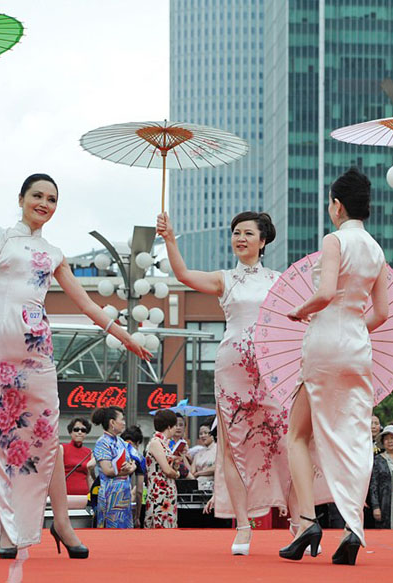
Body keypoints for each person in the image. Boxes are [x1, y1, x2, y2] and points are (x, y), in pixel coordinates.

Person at [0, 124, 151, 558]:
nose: (44, 204)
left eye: (52, 199)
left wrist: (123, 335)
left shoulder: (54, 254)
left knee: (44, 435)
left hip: (37, 349)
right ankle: (5, 533)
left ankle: (61, 524)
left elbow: (89, 306)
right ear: (21, 199)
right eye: (37, 196)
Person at [157, 210, 294, 555]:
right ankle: (244, 526)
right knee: (233, 448)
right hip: (232, 367)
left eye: (248, 233)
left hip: (271, 366)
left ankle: (299, 522)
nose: (240, 238)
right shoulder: (224, 278)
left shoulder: (280, 280)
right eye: (235, 232)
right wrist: (170, 239)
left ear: (263, 241)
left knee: (285, 443)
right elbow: (183, 274)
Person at [280, 168, 389, 566]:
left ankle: (307, 521)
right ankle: (352, 526)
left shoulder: (334, 240)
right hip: (358, 347)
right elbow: (383, 312)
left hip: (325, 342)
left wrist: (301, 310)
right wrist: (353, 327)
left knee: (297, 435)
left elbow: (325, 293)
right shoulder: (376, 249)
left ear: (337, 205)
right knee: (357, 433)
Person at [91, 407, 136, 528]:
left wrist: (131, 467)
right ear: (112, 422)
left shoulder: (121, 441)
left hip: (124, 495)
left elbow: (133, 461)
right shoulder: (102, 442)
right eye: (122, 419)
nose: (124, 423)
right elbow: (107, 470)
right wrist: (126, 471)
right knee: (110, 532)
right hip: (110, 496)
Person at [144, 409, 180, 529]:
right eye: (175, 426)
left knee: (168, 524)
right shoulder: (156, 442)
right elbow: (166, 470)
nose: (176, 429)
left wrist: (175, 464)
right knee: (160, 524)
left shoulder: (165, 443)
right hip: (159, 492)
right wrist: (177, 474)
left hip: (167, 491)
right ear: (169, 427)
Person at [368, 425, 393, 529]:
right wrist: (375, 507)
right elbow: (373, 485)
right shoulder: (378, 460)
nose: (389, 441)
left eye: (392, 438)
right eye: (386, 439)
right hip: (384, 504)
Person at [121, 425, 147, 527]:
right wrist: (137, 517)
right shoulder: (139, 458)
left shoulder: (112, 449)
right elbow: (139, 492)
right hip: (123, 499)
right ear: (134, 443)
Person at [63, 417, 95, 496]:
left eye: (83, 430)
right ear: (71, 432)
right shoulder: (62, 449)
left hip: (84, 496)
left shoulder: (89, 452)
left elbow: (89, 478)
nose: (80, 432)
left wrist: (93, 496)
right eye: (76, 429)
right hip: (65, 496)